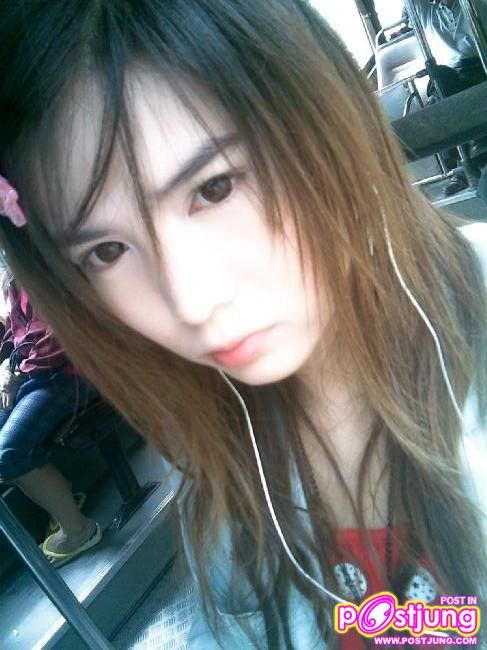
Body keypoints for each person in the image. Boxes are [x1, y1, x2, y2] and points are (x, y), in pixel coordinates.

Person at [0, 1, 485, 648]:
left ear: (316, 111)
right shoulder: (220, 464)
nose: (190, 303)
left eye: (215, 187)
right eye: (107, 251)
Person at [0, 265, 102, 567]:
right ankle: (62, 497)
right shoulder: (14, 282)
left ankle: (79, 531)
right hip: (42, 375)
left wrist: (17, 371)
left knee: (6, 454)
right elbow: (17, 335)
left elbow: (57, 336)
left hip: (73, 373)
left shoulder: (41, 269)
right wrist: (6, 365)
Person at [398, 0, 487, 196]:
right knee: (441, 87)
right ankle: (468, 157)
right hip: (451, 72)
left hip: (481, 62)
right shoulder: (424, 9)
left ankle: (474, 156)